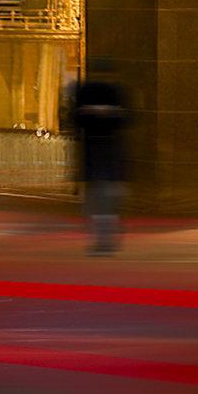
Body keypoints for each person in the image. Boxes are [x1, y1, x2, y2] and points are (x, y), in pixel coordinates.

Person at [61, 67, 131, 255]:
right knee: (106, 203)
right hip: (108, 161)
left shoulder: (87, 97)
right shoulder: (114, 97)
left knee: (99, 203)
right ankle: (105, 241)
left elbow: (74, 122)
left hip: (97, 160)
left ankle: (103, 241)